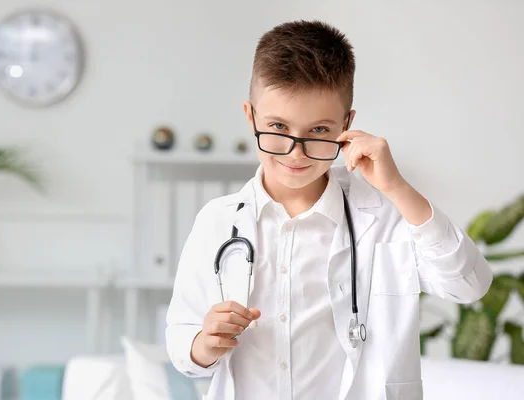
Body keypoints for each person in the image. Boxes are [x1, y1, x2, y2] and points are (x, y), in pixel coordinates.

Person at [165, 20, 492, 400]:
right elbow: (181, 341)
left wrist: (395, 187)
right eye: (277, 126)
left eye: (319, 131)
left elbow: (469, 285)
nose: (295, 153)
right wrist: (204, 344)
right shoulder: (217, 221)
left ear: (347, 125)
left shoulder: (385, 218)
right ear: (251, 116)